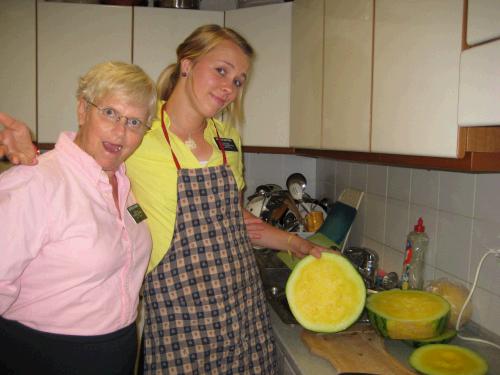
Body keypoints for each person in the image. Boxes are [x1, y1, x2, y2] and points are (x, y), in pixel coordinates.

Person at [0, 25, 329, 374]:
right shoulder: (141, 124)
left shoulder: (228, 138)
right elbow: (80, 163)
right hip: (178, 308)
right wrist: (25, 153)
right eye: (221, 70)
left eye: (238, 81)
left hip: (240, 304)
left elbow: (234, 220)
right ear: (187, 65)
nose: (228, 88)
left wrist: (297, 244)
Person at [0, 61, 157, 375]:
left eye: (135, 121)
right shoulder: (36, 182)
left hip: (119, 349)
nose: (120, 131)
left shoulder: (124, 185)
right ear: (83, 110)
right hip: (45, 356)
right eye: (110, 112)